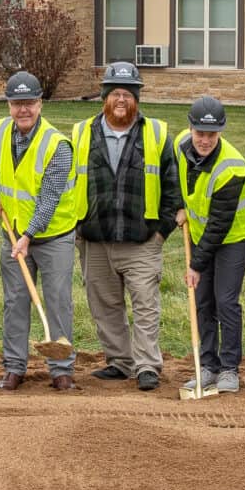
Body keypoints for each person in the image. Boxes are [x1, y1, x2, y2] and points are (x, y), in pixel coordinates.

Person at [71, 60, 176, 391]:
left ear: (137, 99)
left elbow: (173, 189)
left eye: (128, 94)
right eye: (115, 93)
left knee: (145, 304)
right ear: (104, 97)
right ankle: (120, 361)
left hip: (141, 239)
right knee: (104, 303)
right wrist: (77, 230)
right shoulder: (80, 133)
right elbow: (67, 183)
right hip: (95, 239)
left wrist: (160, 233)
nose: (121, 100)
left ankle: (147, 365)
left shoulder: (156, 134)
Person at [0, 71, 80, 392]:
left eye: (29, 103)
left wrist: (29, 236)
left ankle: (61, 368)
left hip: (53, 236)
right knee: (15, 301)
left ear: (40, 104)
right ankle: (14, 367)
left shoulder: (58, 145)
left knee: (56, 300)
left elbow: (49, 198)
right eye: (16, 104)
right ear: (9, 105)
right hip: (13, 233)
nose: (22, 110)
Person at [175, 96, 245, 393]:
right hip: (199, 233)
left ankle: (229, 368)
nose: (205, 140)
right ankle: (208, 365)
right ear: (191, 129)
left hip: (232, 237)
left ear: (220, 132)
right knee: (202, 300)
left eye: (211, 134)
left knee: (225, 300)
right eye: (200, 133)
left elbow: (219, 225)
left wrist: (196, 265)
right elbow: (174, 178)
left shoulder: (232, 167)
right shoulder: (181, 144)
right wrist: (178, 206)